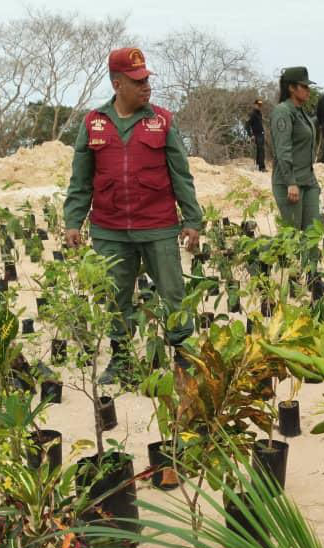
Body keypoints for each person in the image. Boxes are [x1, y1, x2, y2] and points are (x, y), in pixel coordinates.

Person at [63, 47, 202, 385]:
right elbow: (80, 180)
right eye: (137, 81)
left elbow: (180, 175)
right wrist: (72, 221)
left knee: (172, 293)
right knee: (115, 297)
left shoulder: (162, 121)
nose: (146, 87)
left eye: (146, 80)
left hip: (157, 226)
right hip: (110, 230)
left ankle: (183, 356)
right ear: (117, 84)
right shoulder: (93, 123)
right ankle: (121, 360)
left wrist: (192, 220)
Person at [271, 66, 323, 282]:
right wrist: (291, 182)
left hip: (308, 180)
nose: (307, 91)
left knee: (312, 232)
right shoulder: (283, 112)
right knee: (292, 235)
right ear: (291, 88)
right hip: (290, 183)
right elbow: (283, 150)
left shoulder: (302, 112)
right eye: (303, 86)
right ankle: (291, 279)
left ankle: (312, 278)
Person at [245, 99, 266, 172]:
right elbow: (247, 126)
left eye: (260, 105)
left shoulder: (259, 113)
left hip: (261, 134)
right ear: (255, 105)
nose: (259, 106)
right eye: (258, 105)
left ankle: (258, 166)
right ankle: (261, 167)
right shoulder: (252, 114)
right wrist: (251, 135)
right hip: (256, 135)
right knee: (261, 150)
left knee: (260, 150)